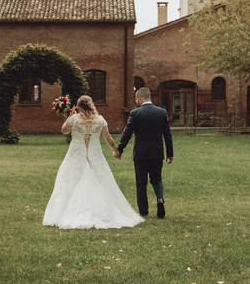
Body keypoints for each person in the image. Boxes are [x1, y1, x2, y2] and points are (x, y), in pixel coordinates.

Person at [42, 95, 144, 229]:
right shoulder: (100, 120)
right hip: (95, 155)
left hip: (76, 155)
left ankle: (65, 212)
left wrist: (70, 116)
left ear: (78, 106)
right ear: (91, 105)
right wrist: (116, 151)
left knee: (70, 181)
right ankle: (102, 212)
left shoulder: (74, 119)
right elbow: (108, 138)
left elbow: (63, 130)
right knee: (100, 181)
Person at [114, 86, 173, 218]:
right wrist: (170, 154)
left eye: (136, 99)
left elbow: (127, 133)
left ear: (140, 98)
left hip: (140, 154)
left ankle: (143, 211)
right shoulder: (162, 112)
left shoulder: (135, 113)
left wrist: (119, 149)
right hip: (157, 153)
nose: (136, 101)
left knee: (141, 182)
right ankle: (160, 199)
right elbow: (167, 135)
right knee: (157, 178)